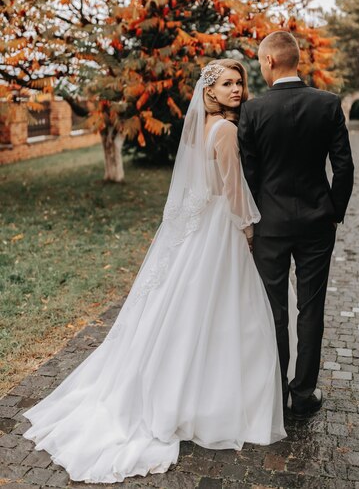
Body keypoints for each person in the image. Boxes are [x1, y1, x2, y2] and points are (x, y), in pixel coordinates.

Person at [23, 59, 298, 484]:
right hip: (219, 231)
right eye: (227, 84)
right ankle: (211, 399)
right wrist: (248, 229)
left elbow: (194, 187)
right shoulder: (224, 131)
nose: (236, 90)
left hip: (196, 228)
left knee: (189, 307)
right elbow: (232, 189)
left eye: (239, 83)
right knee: (224, 312)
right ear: (209, 91)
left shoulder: (200, 129)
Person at [238, 31, 354, 420]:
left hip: (269, 225)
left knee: (273, 309)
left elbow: (248, 174)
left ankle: (273, 392)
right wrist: (334, 210)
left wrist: (252, 219)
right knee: (311, 308)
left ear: (269, 61)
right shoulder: (328, 104)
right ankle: (302, 394)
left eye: (259, 62)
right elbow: (343, 166)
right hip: (317, 223)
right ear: (296, 59)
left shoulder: (253, 111)